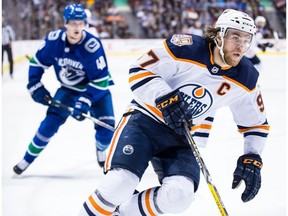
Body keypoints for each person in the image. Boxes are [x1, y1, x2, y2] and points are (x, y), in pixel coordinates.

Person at [78, 9, 270, 215]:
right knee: (120, 183)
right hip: (145, 121)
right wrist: (164, 97)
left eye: (247, 39)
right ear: (218, 35)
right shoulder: (186, 48)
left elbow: (256, 123)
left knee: (180, 195)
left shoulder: (247, 77)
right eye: (235, 37)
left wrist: (252, 158)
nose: (241, 45)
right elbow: (139, 69)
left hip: (184, 136)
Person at [13, 3, 115, 175]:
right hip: (68, 90)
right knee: (48, 125)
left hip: (96, 91)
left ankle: (100, 149)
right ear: (65, 23)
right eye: (73, 23)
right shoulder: (53, 41)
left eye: (80, 23)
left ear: (85, 24)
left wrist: (84, 101)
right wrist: (34, 84)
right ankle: (26, 160)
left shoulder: (92, 46)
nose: (77, 27)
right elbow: (37, 63)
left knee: (106, 131)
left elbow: (101, 80)